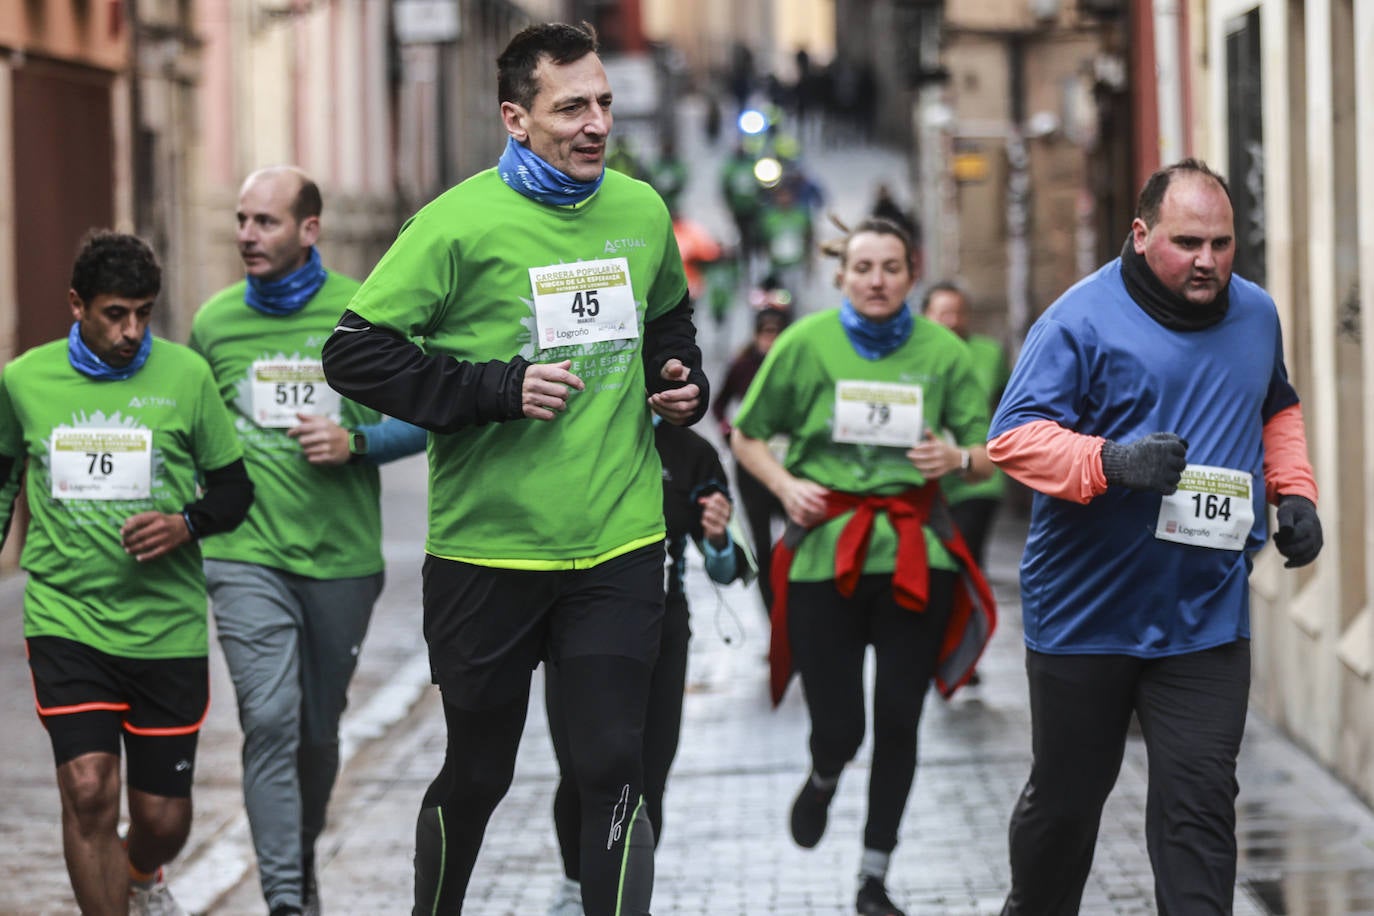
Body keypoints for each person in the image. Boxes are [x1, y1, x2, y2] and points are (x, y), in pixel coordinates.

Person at [320, 21, 707, 916]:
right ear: (516, 117)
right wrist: (494, 387)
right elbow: (356, 355)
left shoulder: (642, 211)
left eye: (604, 103)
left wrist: (677, 379)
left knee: (617, 763)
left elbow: (668, 322)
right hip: (487, 553)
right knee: (479, 771)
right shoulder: (455, 224)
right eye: (571, 106)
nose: (595, 123)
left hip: (617, 542)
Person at [988, 158, 1323, 915]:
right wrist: (1109, 460)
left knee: (1199, 806)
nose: (1208, 261)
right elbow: (1012, 438)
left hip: (1204, 614)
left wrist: (1294, 492)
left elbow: (1277, 406)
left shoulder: (1256, 314)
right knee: (1068, 806)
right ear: (1141, 236)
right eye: (1187, 242)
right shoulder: (1079, 319)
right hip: (1085, 614)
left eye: (1222, 243)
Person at [730, 217, 995, 916]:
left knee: (900, 717)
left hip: (915, 553)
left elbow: (990, 449)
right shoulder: (804, 345)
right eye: (863, 268)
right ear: (842, 275)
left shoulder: (944, 352)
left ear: (912, 274)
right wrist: (786, 488)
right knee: (843, 724)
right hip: (826, 554)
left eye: (891, 268)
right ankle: (823, 772)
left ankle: (874, 875)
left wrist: (956, 459)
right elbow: (746, 434)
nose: (877, 281)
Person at [189, 166, 426, 916]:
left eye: (265, 222)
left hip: (341, 561)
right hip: (245, 555)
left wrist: (354, 442)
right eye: (241, 220)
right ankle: (287, 898)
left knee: (318, 734)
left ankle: (300, 852)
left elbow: (425, 415)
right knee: (268, 718)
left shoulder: (362, 312)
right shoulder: (215, 324)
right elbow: (193, 439)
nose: (247, 236)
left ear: (309, 230)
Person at [0, 231, 252, 916]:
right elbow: (2, 480)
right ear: (77, 305)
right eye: (116, 313)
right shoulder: (24, 381)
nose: (132, 331)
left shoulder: (186, 377)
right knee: (87, 790)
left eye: (144, 312)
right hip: (67, 621)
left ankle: (143, 874)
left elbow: (234, 492)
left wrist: (185, 524)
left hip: (163, 627)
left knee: (164, 820)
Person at [544, 418, 750, 915]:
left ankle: (624, 900)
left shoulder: (690, 450)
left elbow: (725, 567)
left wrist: (719, 538)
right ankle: (575, 890)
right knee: (579, 772)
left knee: (646, 778)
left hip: (660, 628)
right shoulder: (568, 428)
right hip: (573, 625)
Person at [924, 282, 1011, 577]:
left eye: (959, 313)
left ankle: (972, 617)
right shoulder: (914, 355)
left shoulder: (989, 353)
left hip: (978, 474)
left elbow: (1007, 402)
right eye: (944, 313)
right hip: (926, 477)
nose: (953, 321)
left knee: (964, 557)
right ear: (925, 315)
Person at [712, 304, 790, 614]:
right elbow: (718, 404)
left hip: (789, 469)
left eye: (776, 333)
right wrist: (730, 435)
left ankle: (793, 613)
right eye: (765, 333)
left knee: (797, 542)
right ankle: (772, 617)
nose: (770, 340)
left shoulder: (794, 365)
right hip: (752, 470)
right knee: (762, 544)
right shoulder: (743, 366)